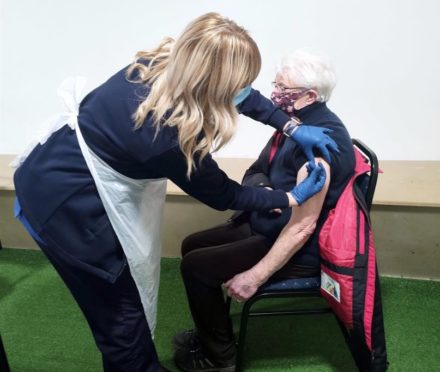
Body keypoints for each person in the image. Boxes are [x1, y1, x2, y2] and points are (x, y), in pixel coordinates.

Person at [12, 14, 336, 372]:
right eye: (238, 82)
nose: (244, 91)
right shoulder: (166, 134)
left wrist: (288, 125)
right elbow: (223, 194)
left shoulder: (163, 62)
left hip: (58, 167)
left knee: (130, 303)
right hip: (65, 204)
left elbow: (240, 95)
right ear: (214, 81)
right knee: (120, 316)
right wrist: (288, 198)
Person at [174, 50, 356, 372]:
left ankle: (220, 357)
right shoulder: (295, 125)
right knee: (191, 245)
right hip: (268, 222)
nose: (274, 93)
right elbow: (258, 169)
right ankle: (212, 331)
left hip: (293, 246)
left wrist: (255, 276)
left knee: (195, 267)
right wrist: (268, 191)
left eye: (282, 87)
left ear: (310, 95)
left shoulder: (321, 146)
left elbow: (303, 227)